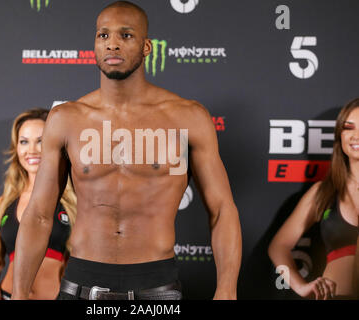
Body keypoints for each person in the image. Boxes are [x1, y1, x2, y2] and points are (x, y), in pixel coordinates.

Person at [12, 1, 242, 300]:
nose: (113, 45)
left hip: (156, 287)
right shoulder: (66, 119)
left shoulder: (187, 118)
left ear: (147, 47)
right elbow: (40, 215)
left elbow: (222, 210)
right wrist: (18, 295)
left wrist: (227, 289)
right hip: (82, 283)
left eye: (126, 35)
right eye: (103, 35)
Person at [0, 108, 76, 300]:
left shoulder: (74, 202)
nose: (31, 150)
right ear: (16, 148)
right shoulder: (4, 204)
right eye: (24, 142)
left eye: (40, 141)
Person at [268, 98, 359, 300]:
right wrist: (300, 286)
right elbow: (278, 246)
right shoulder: (324, 191)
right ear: (339, 135)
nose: (355, 136)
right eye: (348, 128)